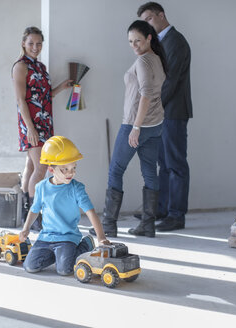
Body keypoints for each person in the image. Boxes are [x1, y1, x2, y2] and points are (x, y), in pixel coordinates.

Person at [90, 20, 167, 238]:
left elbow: (146, 94)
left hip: (136, 125)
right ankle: (148, 225)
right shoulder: (157, 59)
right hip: (156, 125)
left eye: (138, 41)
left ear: (149, 38)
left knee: (116, 170)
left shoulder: (143, 61)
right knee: (150, 171)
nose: (134, 45)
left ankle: (109, 225)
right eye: (130, 42)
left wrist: (135, 127)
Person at [19, 136, 110, 276]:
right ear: (51, 170)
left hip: (67, 237)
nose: (71, 173)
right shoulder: (41, 187)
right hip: (46, 238)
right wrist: (25, 229)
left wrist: (101, 238)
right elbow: (34, 210)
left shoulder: (77, 188)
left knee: (64, 270)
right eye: (65, 169)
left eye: (74, 168)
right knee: (30, 266)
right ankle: (60, 256)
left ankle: (86, 245)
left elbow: (91, 212)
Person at [137, 2, 193, 231]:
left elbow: (170, 80)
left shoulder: (176, 41)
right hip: (161, 113)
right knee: (163, 163)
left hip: (173, 112)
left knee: (176, 163)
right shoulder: (159, 43)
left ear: (161, 15)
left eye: (149, 19)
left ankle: (176, 215)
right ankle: (161, 209)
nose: (147, 25)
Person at [12, 27, 72, 231]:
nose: (35, 47)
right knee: (42, 168)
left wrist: (61, 88)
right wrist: (30, 128)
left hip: (45, 122)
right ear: (23, 44)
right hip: (31, 123)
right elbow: (21, 100)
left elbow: (43, 97)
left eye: (38, 44)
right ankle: (35, 216)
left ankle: (24, 213)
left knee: (31, 166)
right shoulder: (21, 67)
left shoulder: (40, 67)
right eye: (31, 43)